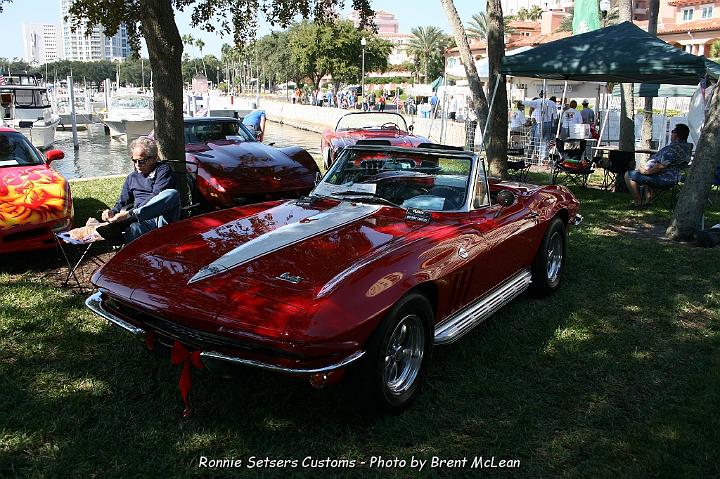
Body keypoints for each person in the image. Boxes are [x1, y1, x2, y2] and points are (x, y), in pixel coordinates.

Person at [100, 137, 180, 243]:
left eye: (141, 161)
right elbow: (122, 201)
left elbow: (156, 195)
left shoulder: (163, 170)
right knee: (135, 228)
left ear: (154, 158)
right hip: (137, 221)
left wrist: (131, 213)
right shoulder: (132, 177)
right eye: (134, 161)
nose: (137, 165)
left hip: (160, 217)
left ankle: (131, 218)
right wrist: (112, 212)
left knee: (172, 194)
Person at [624, 123, 692, 208]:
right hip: (674, 177)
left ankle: (637, 202)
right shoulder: (687, 147)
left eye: (673, 131)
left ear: (677, 135)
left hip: (663, 179)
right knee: (645, 173)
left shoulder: (673, 149)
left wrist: (646, 172)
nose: (671, 133)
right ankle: (649, 199)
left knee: (628, 175)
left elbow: (661, 166)